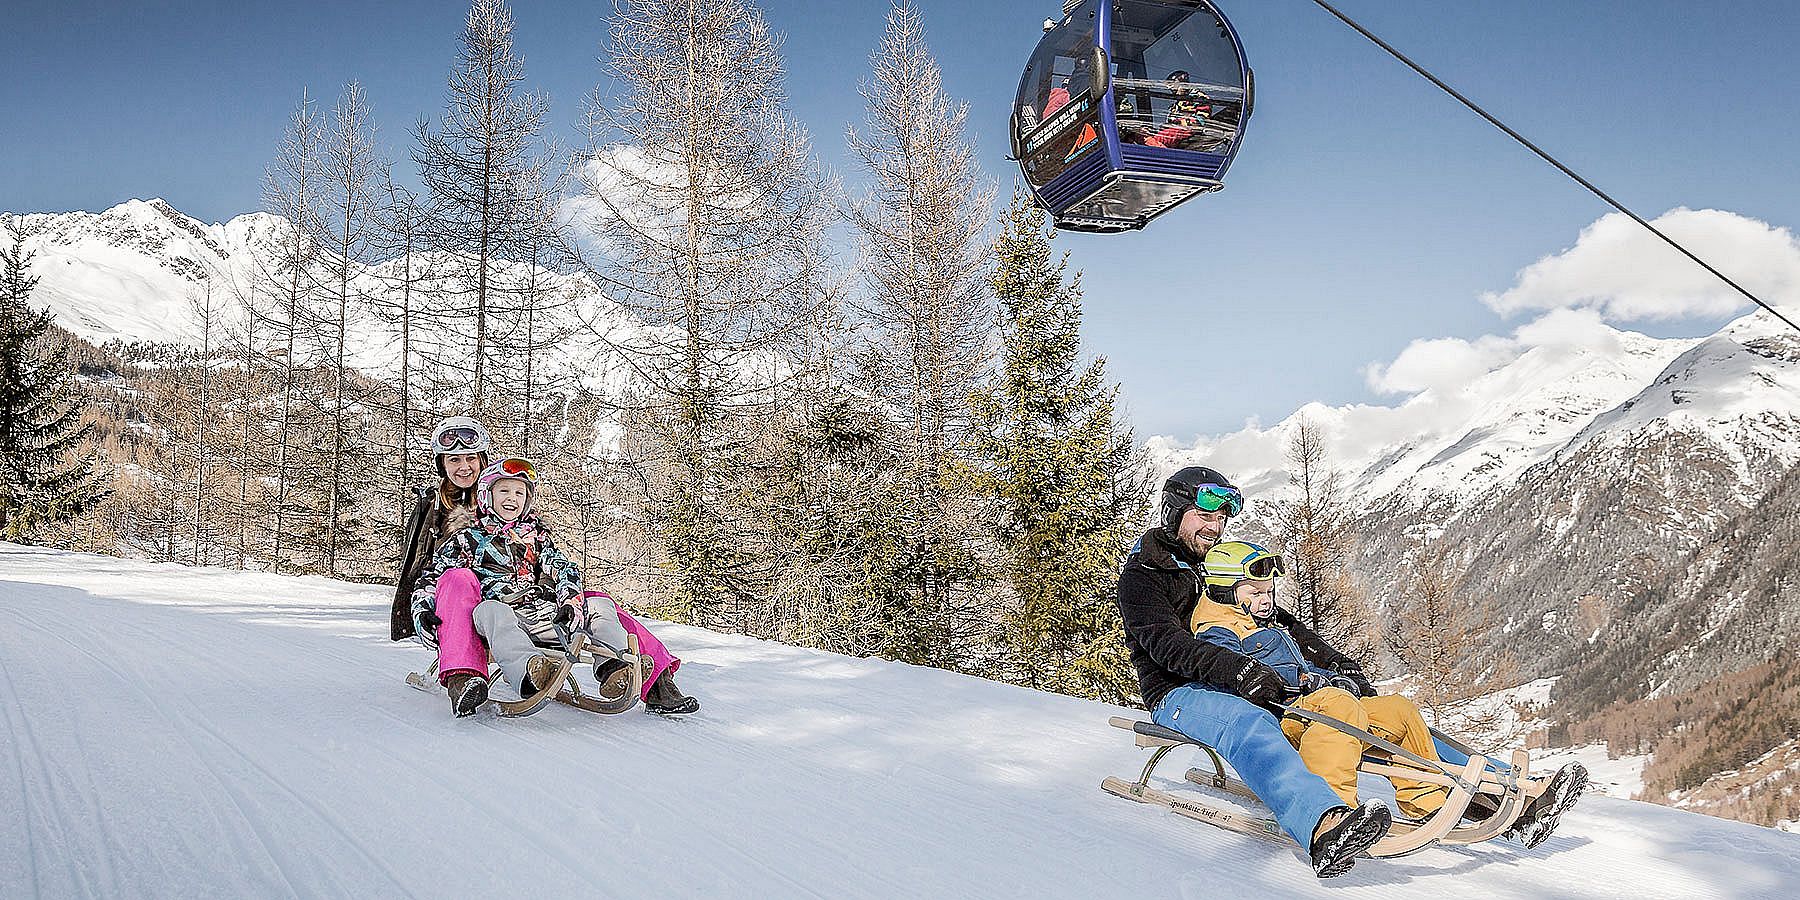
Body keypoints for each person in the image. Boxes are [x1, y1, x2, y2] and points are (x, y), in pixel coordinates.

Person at [1197, 539, 1589, 849]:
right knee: (1338, 704)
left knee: (1397, 709)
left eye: (1270, 590)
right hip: (1286, 716)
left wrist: (1334, 674)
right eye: (1255, 590)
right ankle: (1335, 813)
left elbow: (1304, 666)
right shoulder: (1216, 627)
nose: (1268, 599)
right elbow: (1241, 675)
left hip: (1314, 703)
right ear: (1225, 588)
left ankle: (1427, 800)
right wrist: (1315, 683)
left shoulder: (1258, 618)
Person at [1117, 466, 1391, 878]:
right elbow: (1165, 644)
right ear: (1175, 512)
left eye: (1222, 518)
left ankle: (1483, 793)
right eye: (1205, 516)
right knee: (1251, 723)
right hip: (1179, 692)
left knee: (1380, 711)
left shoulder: (1217, 568)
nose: (1216, 526)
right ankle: (1322, 826)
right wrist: (1239, 671)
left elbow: (1284, 624)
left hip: (1237, 681)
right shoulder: (1144, 575)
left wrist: (1337, 663)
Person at [391, 416, 698, 716]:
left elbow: (555, 563)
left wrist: (564, 596)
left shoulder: (524, 518)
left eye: (470, 458)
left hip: (533, 600)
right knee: (460, 581)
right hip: (468, 603)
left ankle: (645, 675)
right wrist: (422, 608)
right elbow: (424, 568)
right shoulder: (436, 508)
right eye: (453, 459)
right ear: (442, 464)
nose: (463, 466)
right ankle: (464, 677)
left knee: (599, 604)